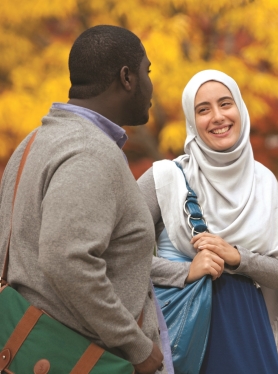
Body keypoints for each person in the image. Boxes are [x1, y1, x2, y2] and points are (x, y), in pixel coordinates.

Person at [0, 25, 166, 374]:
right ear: (127, 78)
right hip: (87, 360)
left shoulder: (34, 142)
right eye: (146, 72)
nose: (151, 84)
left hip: (29, 348)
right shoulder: (91, 153)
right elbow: (65, 258)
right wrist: (136, 346)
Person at [138, 70, 278, 374]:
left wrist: (239, 258)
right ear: (192, 120)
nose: (217, 117)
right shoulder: (164, 179)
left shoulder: (263, 181)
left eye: (225, 104)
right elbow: (117, 256)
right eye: (203, 109)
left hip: (247, 330)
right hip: (186, 334)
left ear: (240, 109)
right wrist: (185, 271)